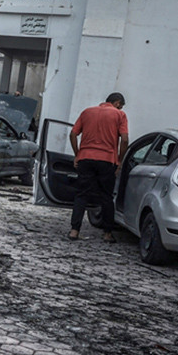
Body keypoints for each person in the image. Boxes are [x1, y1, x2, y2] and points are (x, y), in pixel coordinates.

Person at [68, 92, 129, 242]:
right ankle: (107, 233)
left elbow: (73, 134)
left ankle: (74, 231)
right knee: (106, 197)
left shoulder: (87, 112)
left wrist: (78, 154)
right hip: (107, 160)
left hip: (85, 158)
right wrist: (119, 160)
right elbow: (125, 139)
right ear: (116, 103)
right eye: (120, 105)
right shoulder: (119, 115)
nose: (120, 108)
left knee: (81, 195)